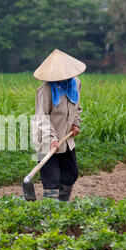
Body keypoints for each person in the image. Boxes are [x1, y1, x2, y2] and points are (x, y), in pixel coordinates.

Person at [32, 49, 86, 201]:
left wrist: (75, 123)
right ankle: (51, 211)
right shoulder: (46, 90)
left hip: (66, 138)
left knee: (71, 172)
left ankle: (63, 204)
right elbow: (41, 118)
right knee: (52, 180)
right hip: (46, 138)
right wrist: (51, 139)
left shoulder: (75, 84)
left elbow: (77, 107)